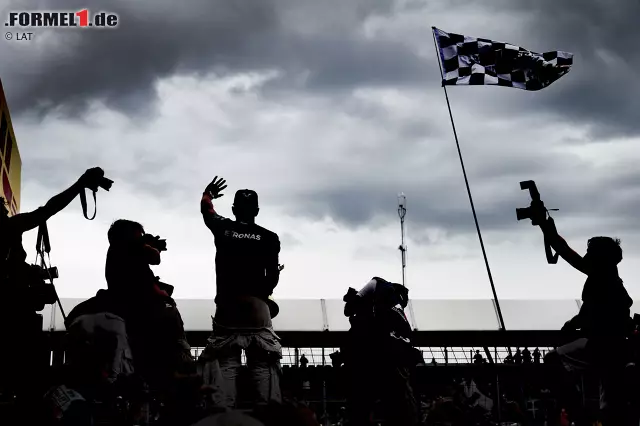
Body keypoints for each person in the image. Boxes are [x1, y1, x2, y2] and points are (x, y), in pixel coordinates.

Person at [0, 167, 107, 421]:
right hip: (15, 321)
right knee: (28, 388)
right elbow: (48, 209)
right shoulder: (9, 229)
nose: (6, 211)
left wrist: (31, 275)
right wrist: (79, 184)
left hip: (17, 318)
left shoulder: (9, 238)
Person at [537, 213, 633, 425]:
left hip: (601, 346)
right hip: (612, 348)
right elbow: (567, 253)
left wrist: (571, 325)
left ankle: (580, 417)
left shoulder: (601, 279)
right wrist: (548, 228)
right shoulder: (607, 277)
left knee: (553, 361)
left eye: (590, 252)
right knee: (611, 405)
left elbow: (568, 254)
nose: (586, 255)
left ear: (599, 258)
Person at [198, 176, 283, 411]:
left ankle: (224, 417)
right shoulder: (269, 237)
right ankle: (267, 416)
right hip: (257, 307)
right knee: (262, 366)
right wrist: (259, 294)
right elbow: (273, 278)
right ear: (256, 210)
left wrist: (208, 193)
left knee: (226, 364)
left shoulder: (223, 227)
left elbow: (207, 210)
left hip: (228, 308)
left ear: (234, 209)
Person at [341, 277, 420, 426]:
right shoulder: (397, 310)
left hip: (380, 354)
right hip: (398, 355)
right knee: (399, 405)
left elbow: (349, 310)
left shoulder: (376, 284)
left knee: (363, 404)